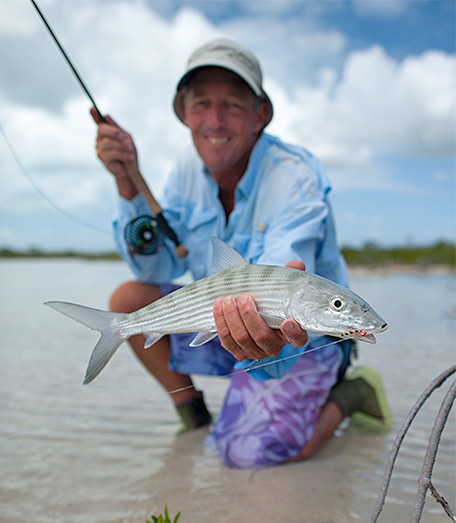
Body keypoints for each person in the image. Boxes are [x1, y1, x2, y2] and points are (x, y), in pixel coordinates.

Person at [91, 38, 391, 469]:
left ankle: (351, 393)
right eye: (202, 104)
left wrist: (282, 306)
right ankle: (193, 414)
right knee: (127, 301)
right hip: (222, 324)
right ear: (184, 112)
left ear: (260, 115)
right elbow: (159, 265)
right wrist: (127, 187)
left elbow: (283, 274)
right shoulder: (185, 170)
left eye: (233, 104)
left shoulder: (296, 175)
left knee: (249, 456)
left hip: (298, 341)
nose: (215, 119)